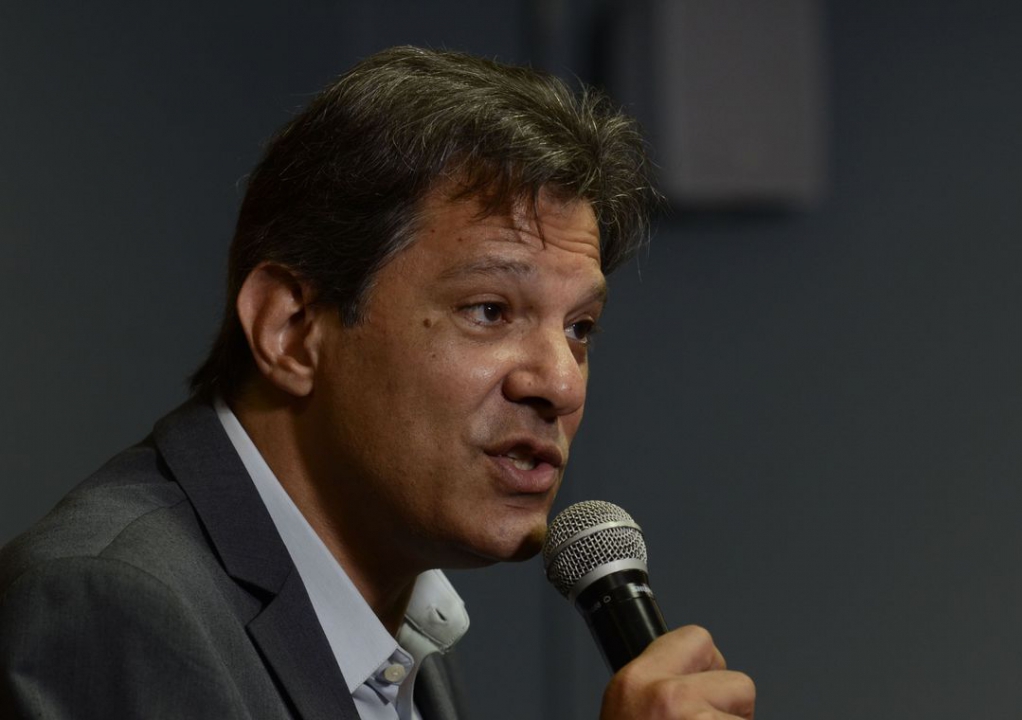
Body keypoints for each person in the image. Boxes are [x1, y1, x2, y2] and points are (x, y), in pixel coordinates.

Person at [0, 46, 755, 719]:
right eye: (489, 311)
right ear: (291, 329)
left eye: (580, 328)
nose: (560, 382)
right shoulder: (112, 604)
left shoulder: (398, 617)